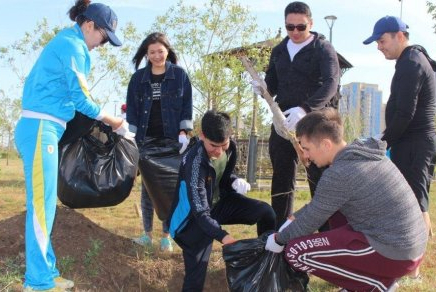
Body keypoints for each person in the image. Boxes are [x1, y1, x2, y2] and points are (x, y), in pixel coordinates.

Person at [14, 1, 133, 291]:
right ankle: (38, 282)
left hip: (47, 128)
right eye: (104, 37)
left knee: (45, 206)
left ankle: (47, 270)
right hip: (41, 127)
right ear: (89, 25)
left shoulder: (69, 43)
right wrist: (115, 121)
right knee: (41, 208)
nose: (102, 45)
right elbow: (81, 99)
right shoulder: (73, 46)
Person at [264, 108, 428, 291]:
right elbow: (320, 205)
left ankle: (377, 285)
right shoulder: (363, 153)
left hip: (396, 253)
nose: (306, 156)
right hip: (411, 247)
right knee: (334, 213)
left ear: (326, 144)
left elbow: (311, 221)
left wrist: (278, 240)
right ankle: (370, 278)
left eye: (307, 148)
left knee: (295, 252)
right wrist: (293, 218)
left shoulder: (340, 173)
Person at [251, 1, 340, 228]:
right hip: (284, 122)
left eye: (301, 27)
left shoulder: (323, 49)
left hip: (315, 124)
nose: (295, 32)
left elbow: (331, 84)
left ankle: (326, 234)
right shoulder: (279, 50)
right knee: (281, 177)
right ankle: (281, 233)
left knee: (318, 178)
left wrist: (306, 110)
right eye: (290, 27)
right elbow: (272, 84)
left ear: (311, 23)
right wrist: (262, 88)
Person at [169, 110, 276, 292]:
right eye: (213, 146)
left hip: (218, 204)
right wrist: (225, 237)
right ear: (202, 135)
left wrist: (234, 180)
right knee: (196, 276)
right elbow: (201, 212)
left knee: (266, 212)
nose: (219, 152)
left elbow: (223, 177)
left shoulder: (231, 148)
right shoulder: (195, 163)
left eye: (223, 145)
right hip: (191, 221)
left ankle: (266, 265)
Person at [363, 16, 436, 241]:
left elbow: (405, 113)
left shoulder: (411, 63)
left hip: (414, 143)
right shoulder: (414, 58)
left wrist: (382, 141)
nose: (379, 47)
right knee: (415, 200)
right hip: (414, 142)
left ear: (400, 36)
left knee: (414, 203)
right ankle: (416, 258)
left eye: (382, 41)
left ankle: (413, 264)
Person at [126, 32, 193, 252]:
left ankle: (166, 235)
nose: (157, 56)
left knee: (168, 189)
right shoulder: (138, 79)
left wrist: (184, 131)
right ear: (146, 54)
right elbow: (133, 112)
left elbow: (186, 106)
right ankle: (147, 234)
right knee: (147, 189)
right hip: (146, 141)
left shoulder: (180, 76)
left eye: (160, 51)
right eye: (152, 52)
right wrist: (131, 138)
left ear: (168, 51)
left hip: (171, 141)